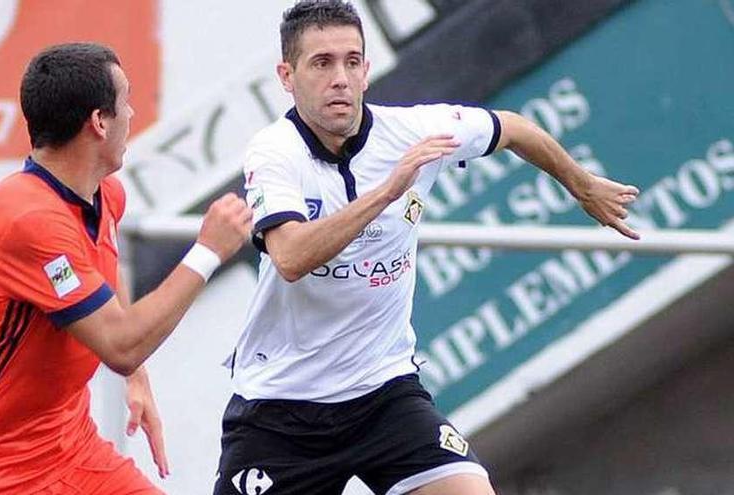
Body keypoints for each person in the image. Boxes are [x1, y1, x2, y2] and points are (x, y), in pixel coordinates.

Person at [214, 2, 640, 495]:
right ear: (287, 76)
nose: (340, 78)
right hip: (281, 411)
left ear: (367, 71)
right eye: (322, 63)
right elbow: (289, 258)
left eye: (352, 62)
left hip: (384, 395)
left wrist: (581, 185)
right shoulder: (274, 151)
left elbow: (514, 128)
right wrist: (386, 193)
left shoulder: (416, 131)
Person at [0, 42, 252, 495]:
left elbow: (107, 286)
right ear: (99, 121)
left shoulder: (105, 194)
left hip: (71, 446)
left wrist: (137, 376)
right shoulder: (23, 216)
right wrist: (207, 252)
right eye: (125, 100)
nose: (132, 113)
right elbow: (119, 345)